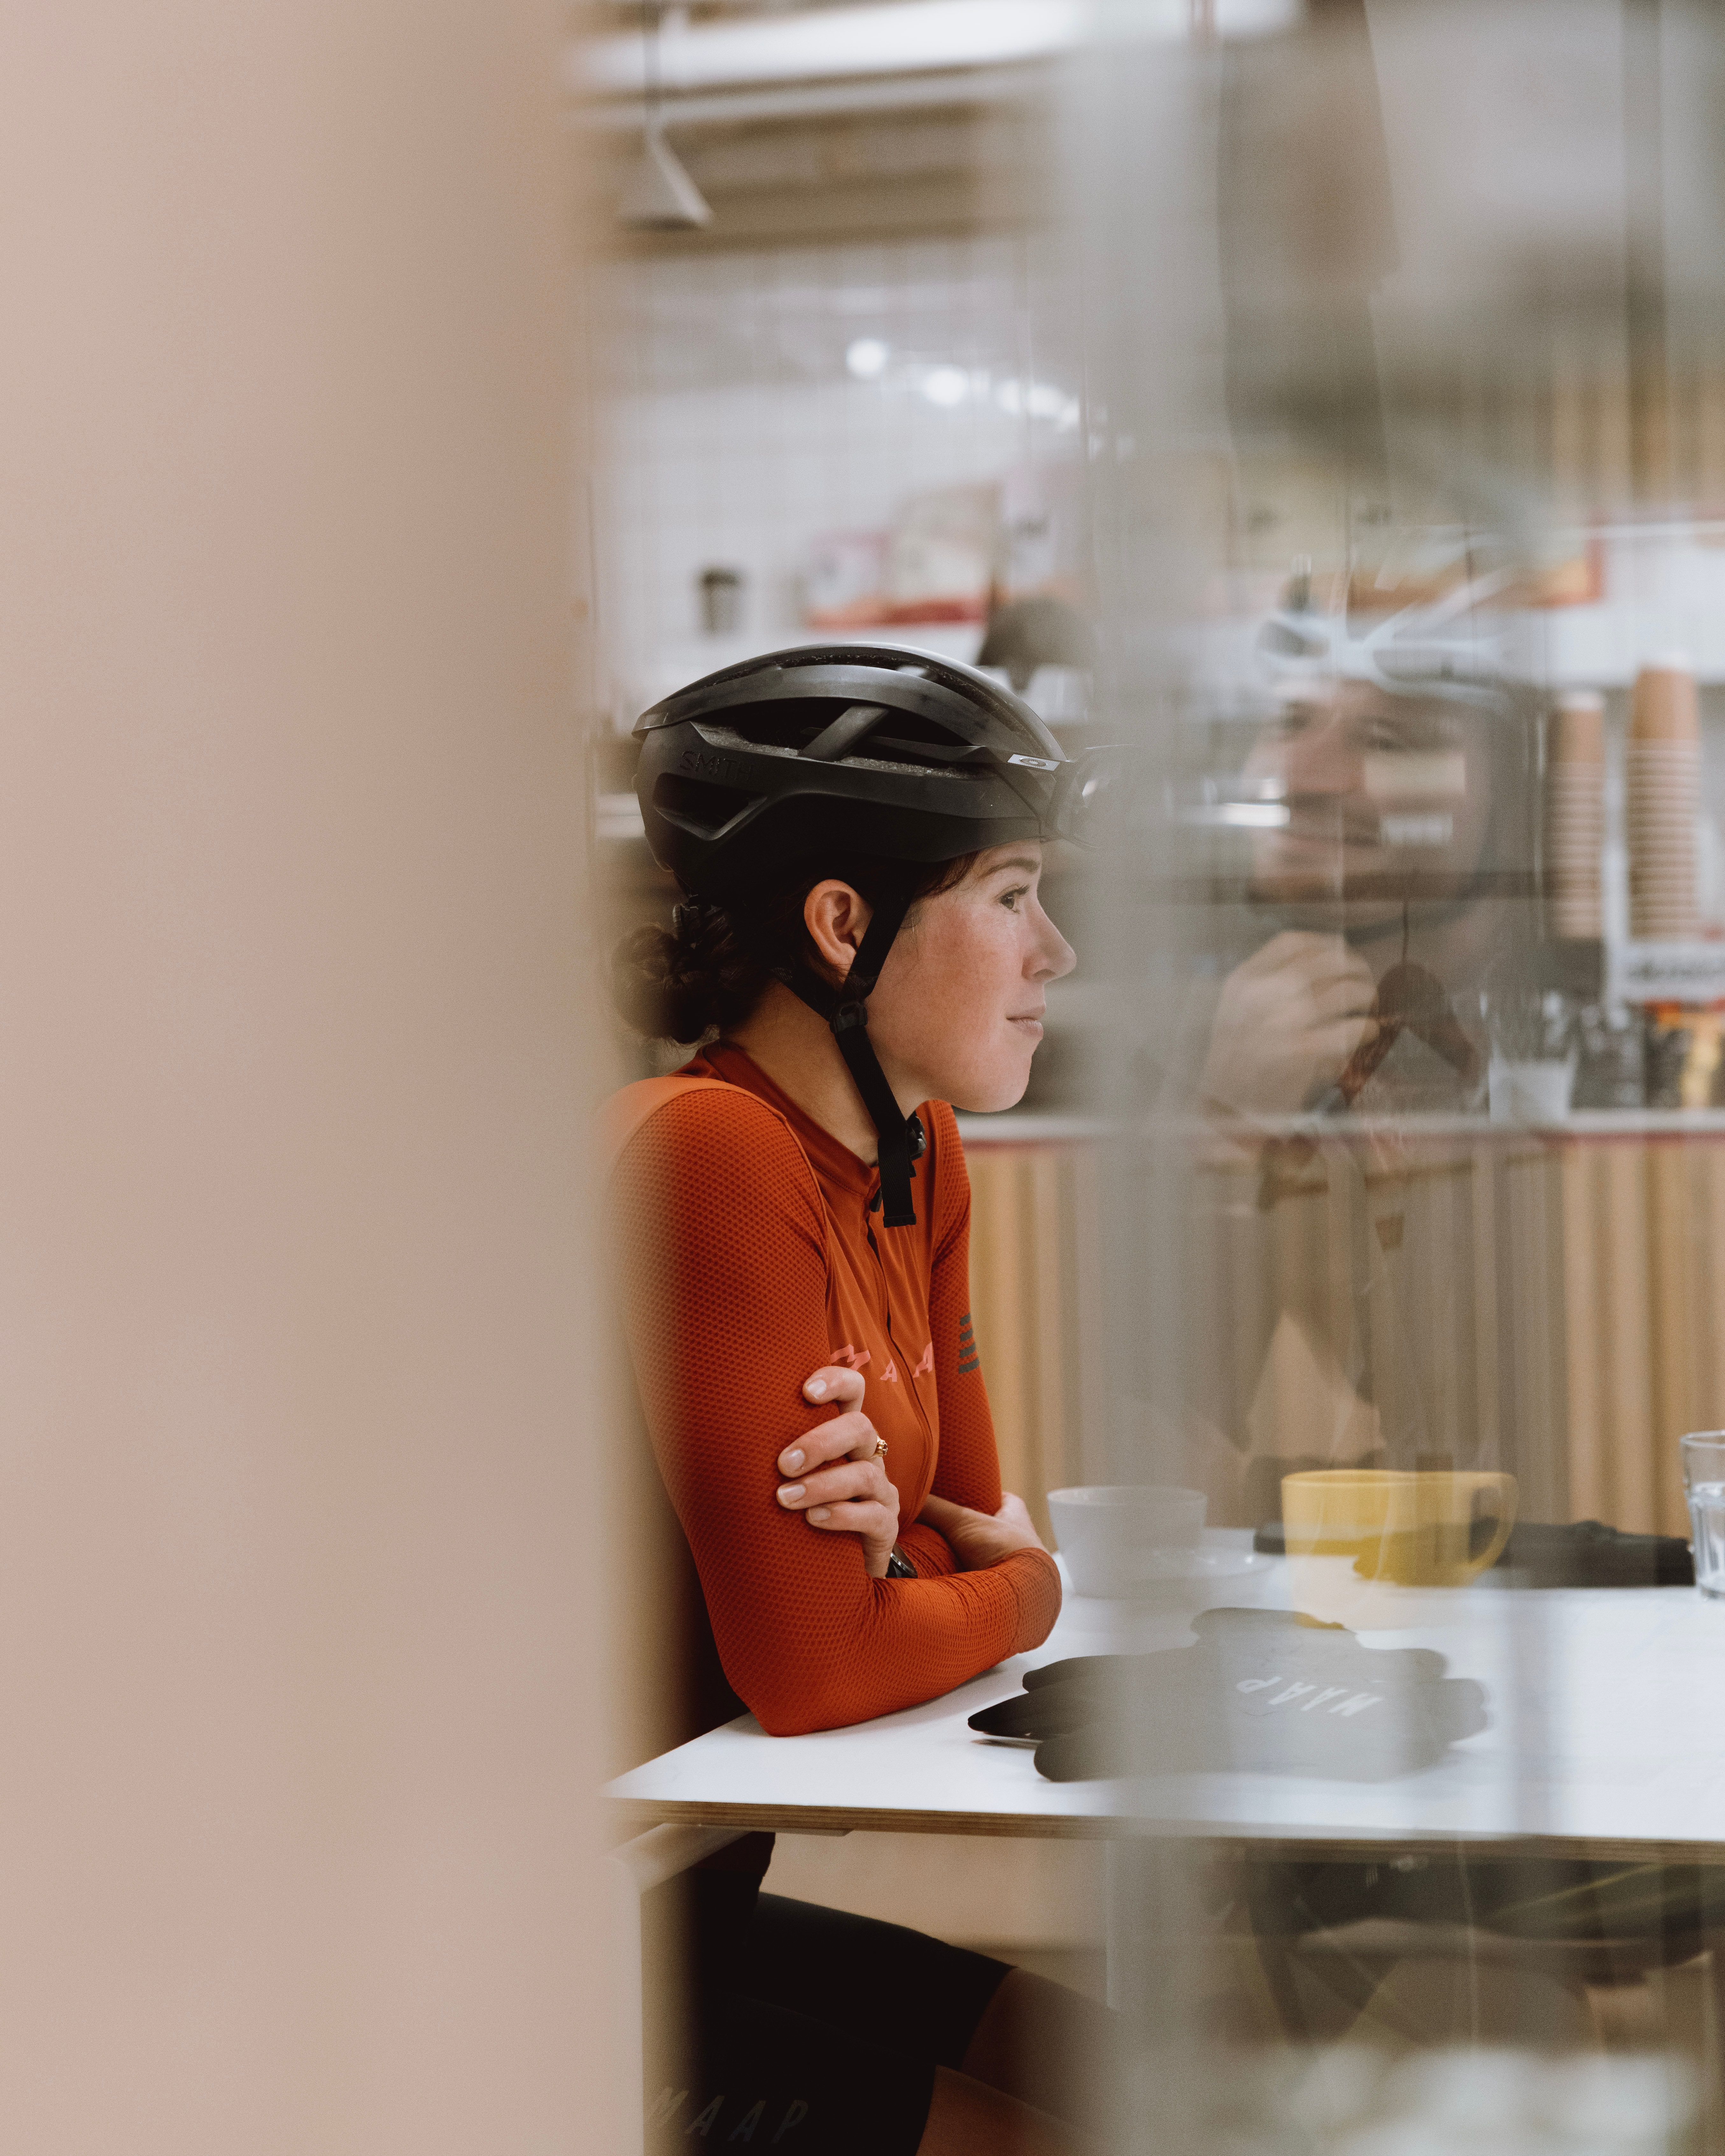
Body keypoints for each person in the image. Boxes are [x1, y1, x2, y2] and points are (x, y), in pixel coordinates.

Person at [605, 644, 1114, 2156]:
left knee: (1132, 2075)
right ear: (842, 926)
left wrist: (939, 1564)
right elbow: (823, 1664)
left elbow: (953, 1520)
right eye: (1013, 893)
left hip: (701, 1908)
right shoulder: (705, 1148)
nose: (1056, 951)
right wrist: (1026, 1583)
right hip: (578, 1930)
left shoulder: (917, 1156)